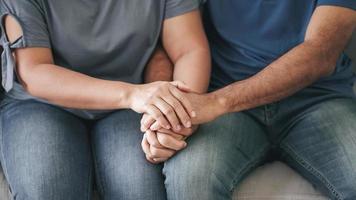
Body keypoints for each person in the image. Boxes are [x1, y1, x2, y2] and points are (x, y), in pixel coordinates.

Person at [141, 1, 356, 200]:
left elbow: (321, 52)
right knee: (192, 180)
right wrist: (165, 111)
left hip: (317, 99)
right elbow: (169, 42)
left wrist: (217, 102)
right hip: (224, 107)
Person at [0, 0, 210, 200]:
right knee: (47, 190)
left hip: (130, 104)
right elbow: (34, 71)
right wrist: (133, 94)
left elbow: (188, 50)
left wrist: (176, 116)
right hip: (41, 103)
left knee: (140, 189)